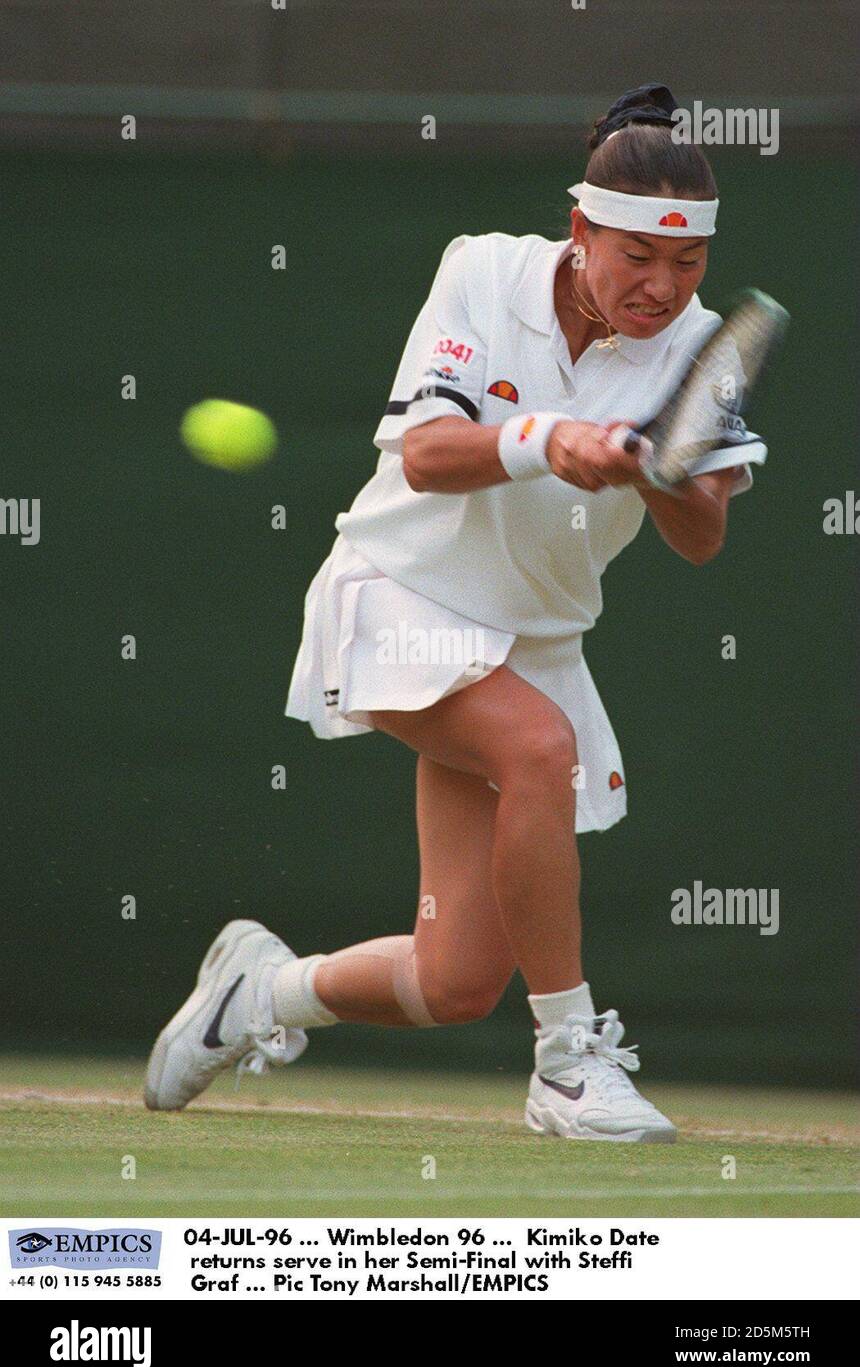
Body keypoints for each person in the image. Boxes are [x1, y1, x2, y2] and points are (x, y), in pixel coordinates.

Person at [145, 84, 766, 1141]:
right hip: (398, 596)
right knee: (537, 746)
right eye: (635, 257)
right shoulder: (479, 270)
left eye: (685, 263)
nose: (661, 287)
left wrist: (657, 474)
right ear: (578, 231)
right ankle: (568, 1066)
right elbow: (428, 456)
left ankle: (261, 992)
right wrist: (546, 438)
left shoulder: (700, 347)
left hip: (528, 638)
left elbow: (701, 534)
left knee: (456, 978)